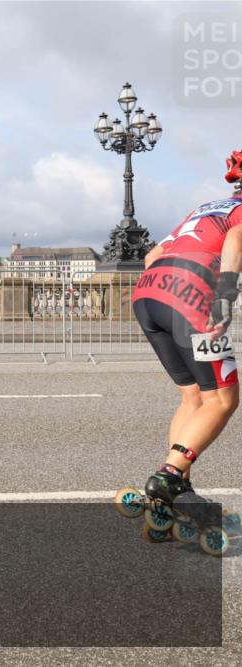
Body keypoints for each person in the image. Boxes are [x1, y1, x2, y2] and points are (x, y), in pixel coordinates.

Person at [131, 150, 242, 524]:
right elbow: (236, 240)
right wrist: (224, 296)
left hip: (148, 294)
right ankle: (169, 476)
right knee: (223, 399)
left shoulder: (207, 208)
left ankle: (177, 491)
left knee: (193, 396)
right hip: (190, 298)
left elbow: (152, 255)